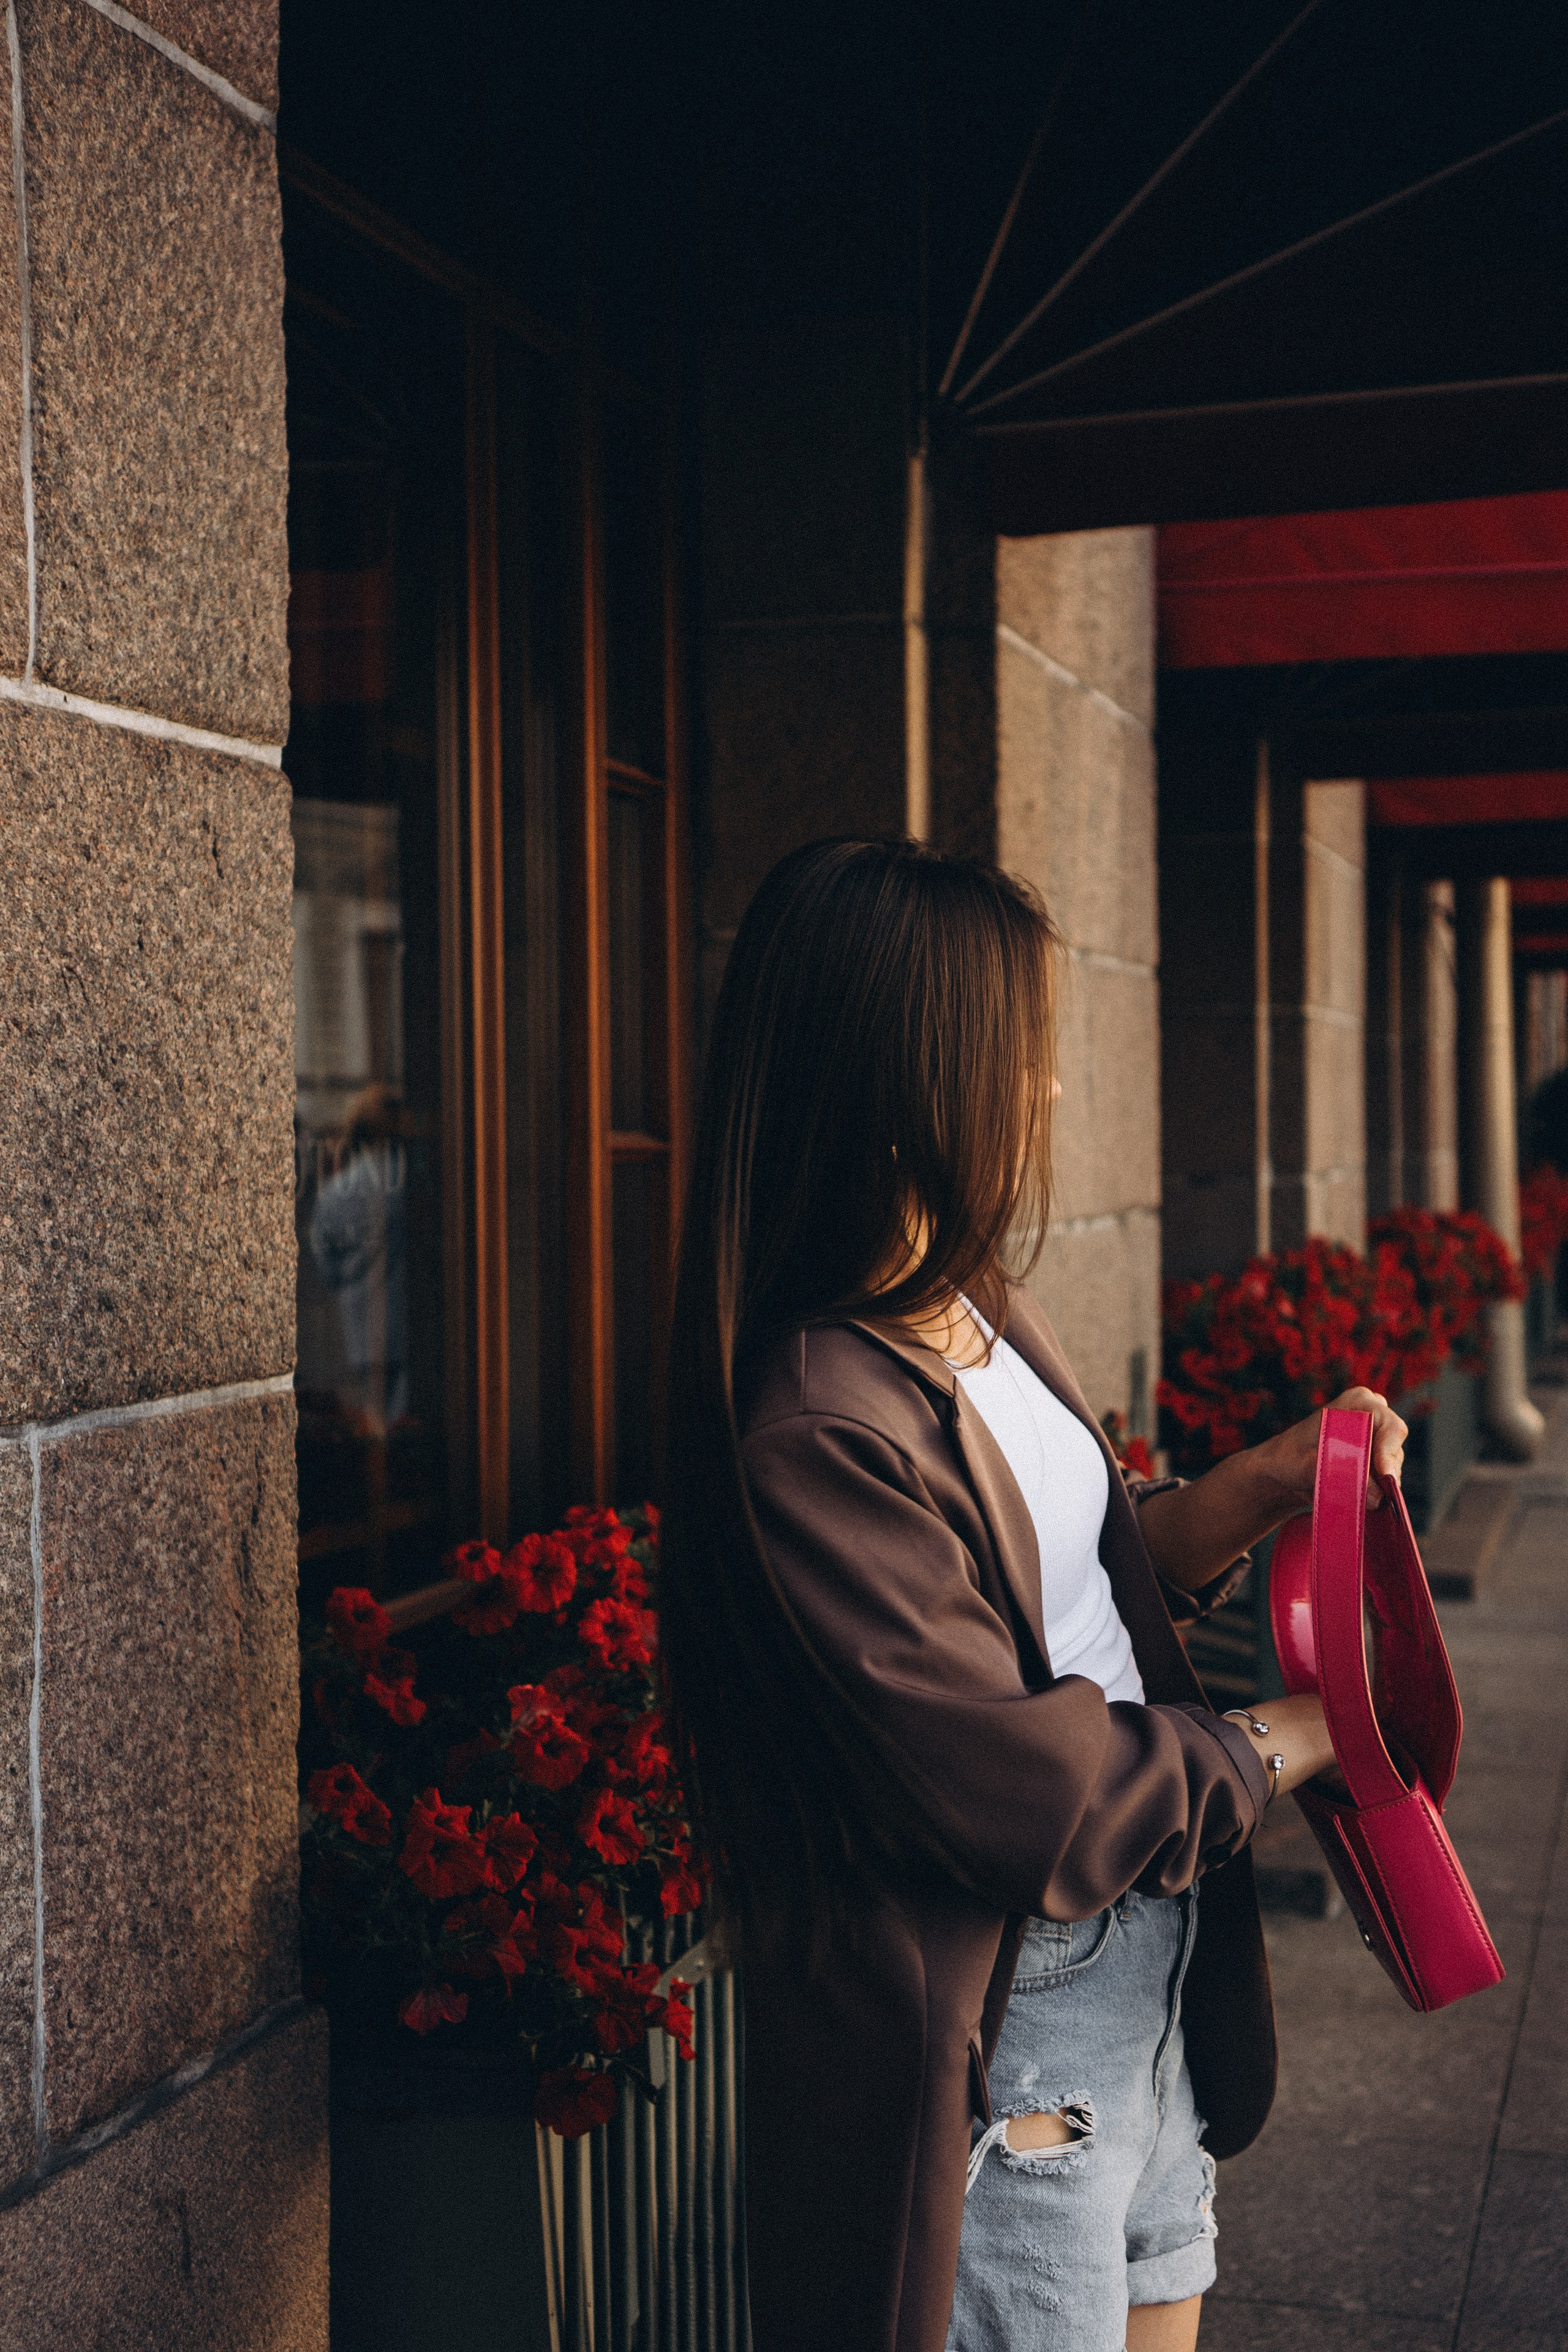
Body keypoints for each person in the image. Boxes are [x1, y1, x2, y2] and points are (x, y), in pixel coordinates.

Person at [661, 839, 1406, 2352]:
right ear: (907, 1076)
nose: (1046, 1089)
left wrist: (1256, 1485)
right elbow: (1028, 1796)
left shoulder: (970, 1303)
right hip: (1012, 2005)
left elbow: (1064, 1583)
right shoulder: (815, 1423)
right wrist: (1293, 1734)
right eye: (1019, 1051)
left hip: (1147, 1951)